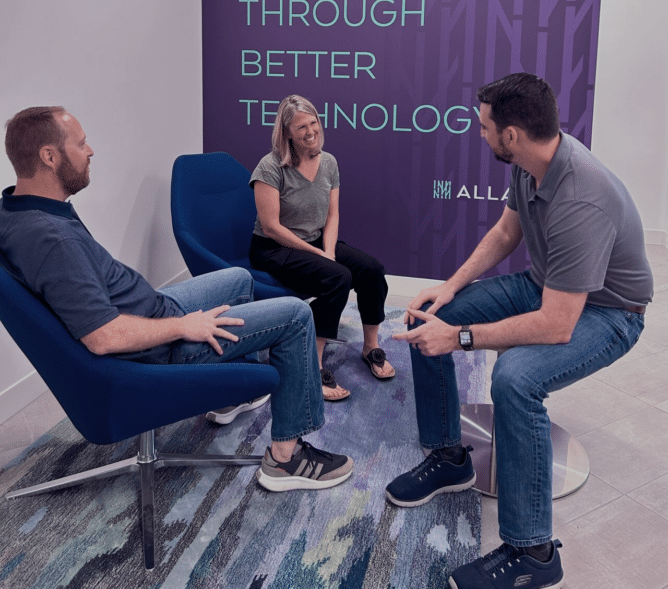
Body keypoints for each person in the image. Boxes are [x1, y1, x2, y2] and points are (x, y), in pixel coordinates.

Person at [386, 73, 653, 589]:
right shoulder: (532, 163)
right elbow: (507, 231)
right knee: (427, 318)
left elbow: (557, 326)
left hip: (609, 313)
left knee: (515, 378)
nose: (480, 135)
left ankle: (533, 553)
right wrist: (449, 290)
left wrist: (460, 337)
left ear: (511, 135)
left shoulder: (582, 197)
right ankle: (448, 456)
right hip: (546, 286)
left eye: (485, 127)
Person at [0, 106, 354, 492]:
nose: (91, 151)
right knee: (296, 315)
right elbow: (103, 337)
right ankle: (286, 460)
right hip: (157, 348)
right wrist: (185, 326)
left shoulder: (21, 209)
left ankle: (233, 394)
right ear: (49, 157)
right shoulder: (53, 240)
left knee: (236, 278)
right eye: (81, 143)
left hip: (150, 309)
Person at [248, 95, 393, 402]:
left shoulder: (328, 162)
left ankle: (371, 347)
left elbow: (332, 215)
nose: (310, 130)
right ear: (286, 131)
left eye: (313, 122)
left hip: (315, 240)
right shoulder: (270, 166)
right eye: (301, 126)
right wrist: (321, 257)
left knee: (372, 270)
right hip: (273, 248)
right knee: (337, 277)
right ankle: (311, 366)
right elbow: (272, 226)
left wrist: (328, 251)